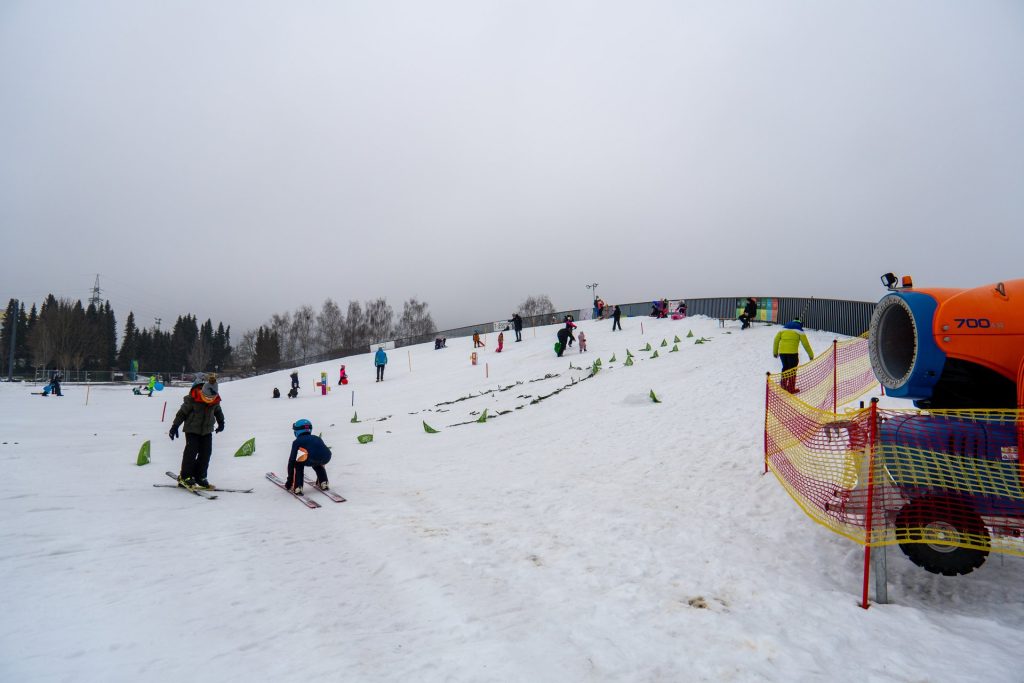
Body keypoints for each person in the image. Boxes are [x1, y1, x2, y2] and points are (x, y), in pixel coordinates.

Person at [169, 373, 225, 489]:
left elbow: (218, 411)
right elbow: (182, 413)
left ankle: (200, 476)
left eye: (212, 399)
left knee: (206, 453)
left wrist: (221, 423)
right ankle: (185, 477)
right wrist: (175, 426)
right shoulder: (192, 399)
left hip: (207, 431)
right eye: (207, 398)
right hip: (192, 430)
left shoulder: (214, 401)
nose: (209, 400)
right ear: (202, 393)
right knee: (191, 452)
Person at [283, 419, 332, 494]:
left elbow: (292, 461)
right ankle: (324, 482)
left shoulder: (297, 441)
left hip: (311, 458)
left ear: (297, 431)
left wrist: (289, 482)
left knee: (298, 464)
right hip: (326, 457)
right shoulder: (317, 437)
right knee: (317, 464)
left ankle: (298, 487)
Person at [773, 318, 815, 393]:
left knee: (785, 368)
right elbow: (806, 344)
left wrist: (775, 352)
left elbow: (776, 340)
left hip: (782, 353)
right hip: (792, 354)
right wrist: (810, 354)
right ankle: (791, 388)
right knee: (792, 370)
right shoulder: (800, 330)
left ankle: (783, 385)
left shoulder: (783, 329)